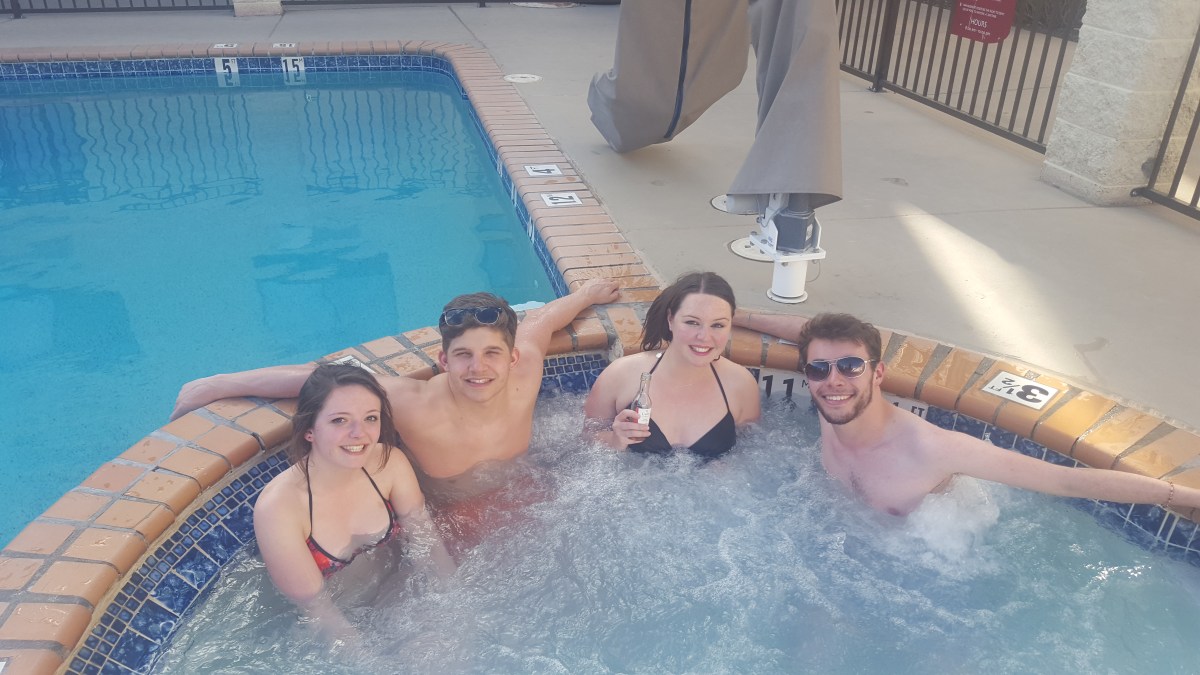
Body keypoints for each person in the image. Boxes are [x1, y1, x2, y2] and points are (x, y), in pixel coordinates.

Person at [174, 279, 620, 546]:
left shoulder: (527, 372)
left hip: (523, 500)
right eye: (463, 355)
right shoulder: (412, 401)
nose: (478, 368)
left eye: (491, 354)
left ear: (512, 357)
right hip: (452, 523)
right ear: (443, 361)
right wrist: (217, 386)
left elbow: (543, 321)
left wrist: (586, 293)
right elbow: (321, 378)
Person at [733, 311, 1200, 516]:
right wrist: (735, 318)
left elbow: (1066, 481)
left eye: (851, 367)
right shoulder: (832, 402)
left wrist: (1182, 495)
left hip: (928, 558)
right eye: (819, 369)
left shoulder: (934, 449)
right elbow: (806, 332)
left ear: (878, 373)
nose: (834, 380)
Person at [252, 364, 454, 641]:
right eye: (340, 420)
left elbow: (427, 543)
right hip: (339, 626)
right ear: (309, 429)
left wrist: (454, 609)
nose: (360, 433)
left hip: (397, 597)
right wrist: (371, 661)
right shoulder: (279, 508)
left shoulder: (389, 464)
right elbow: (318, 612)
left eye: (370, 418)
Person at [584, 272, 761, 458]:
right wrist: (614, 440)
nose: (704, 337)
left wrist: (726, 467)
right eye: (692, 322)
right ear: (670, 320)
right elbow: (586, 439)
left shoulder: (741, 384)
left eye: (718, 325)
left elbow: (751, 451)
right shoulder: (620, 375)